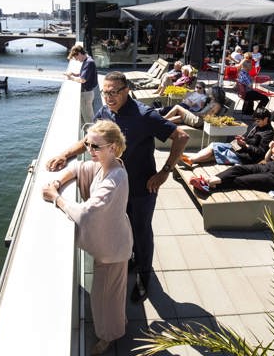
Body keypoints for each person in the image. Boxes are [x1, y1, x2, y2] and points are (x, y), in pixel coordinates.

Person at [46, 72, 189, 303]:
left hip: (143, 188)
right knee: (125, 226)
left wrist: (165, 173)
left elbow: (180, 136)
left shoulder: (144, 115)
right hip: (116, 186)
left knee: (142, 232)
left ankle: (144, 278)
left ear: (126, 90)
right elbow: (89, 141)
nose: (109, 97)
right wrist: (64, 154)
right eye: (105, 92)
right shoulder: (106, 112)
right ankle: (133, 259)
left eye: (114, 92)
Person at [42, 120, 133, 354]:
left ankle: (109, 336)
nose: (89, 150)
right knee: (113, 293)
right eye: (88, 144)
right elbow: (79, 169)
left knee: (104, 300)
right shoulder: (106, 164)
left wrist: (56, 197)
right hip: (116, 241)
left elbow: (86, 212)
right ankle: (117, 324)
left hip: (112, 250)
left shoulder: (113, 180)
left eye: (95, 146)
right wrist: (58, 180)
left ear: (113, 147)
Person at [193, 118, 274, 194]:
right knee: (237, 168)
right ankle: (209, 180)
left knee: (241, 180)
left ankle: (209, 186)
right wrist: (271, 149)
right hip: (266, 167)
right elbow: (266, 159)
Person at [181, 107, 274, 166]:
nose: (256, 123)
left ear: (266, 119)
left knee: (215, 153)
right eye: (255, 120)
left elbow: (260, 152)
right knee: (213, 145)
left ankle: (190, 159)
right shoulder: (258, 126)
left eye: (258, 121)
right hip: (239, 148)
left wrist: (245, 145)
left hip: (246, 156)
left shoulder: (268, 133)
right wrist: (242, 139)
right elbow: (248, 137)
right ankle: (191, 159)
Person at [66, 44, 99, 124]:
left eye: (76, 58)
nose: (77, 60)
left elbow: (83, 80)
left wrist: (71, 78)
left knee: (89, 119)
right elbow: (84, 75)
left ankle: (93, 135)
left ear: (79, 54)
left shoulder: (88, 63)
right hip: (87, 93)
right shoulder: (87, 60)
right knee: (87, 117)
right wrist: (74, 74)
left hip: (86, 94)